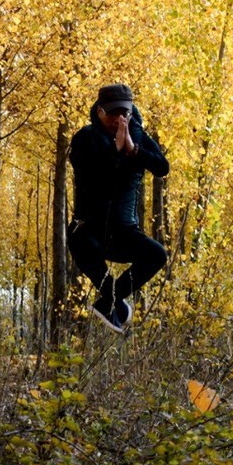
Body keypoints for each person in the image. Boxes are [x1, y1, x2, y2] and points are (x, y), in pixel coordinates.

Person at [67, 83, 169, 332]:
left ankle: (109, 304)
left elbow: (162, 167)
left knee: (157, 255)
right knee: (84, 246)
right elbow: (89, 171)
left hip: (123, 232)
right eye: (112, 114)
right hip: (88, 230)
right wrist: (115, 150)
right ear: (99, 111)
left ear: (131, 112)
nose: (118, 119)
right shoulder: (85, 138)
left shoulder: (140, 138)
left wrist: (133, 151)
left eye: (123, 113)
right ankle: (114, 305)